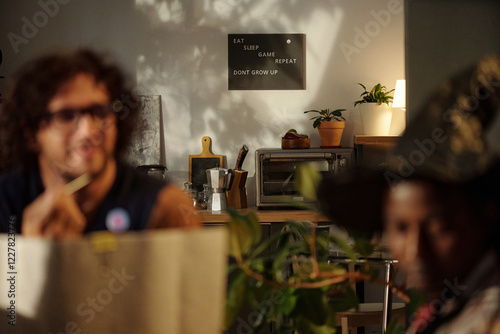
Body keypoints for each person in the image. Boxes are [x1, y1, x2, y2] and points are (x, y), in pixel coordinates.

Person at [317, 54, 500, 333]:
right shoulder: (453, 302)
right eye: (400, 228)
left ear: (485, 215)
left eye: (440, 227)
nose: (416, 252)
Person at [0, 49, 201, 237]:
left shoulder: (165, 207)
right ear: (31, 135)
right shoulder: (5, 202)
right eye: (66, 116)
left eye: (100, 112)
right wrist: (26, 253)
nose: (89, 131)